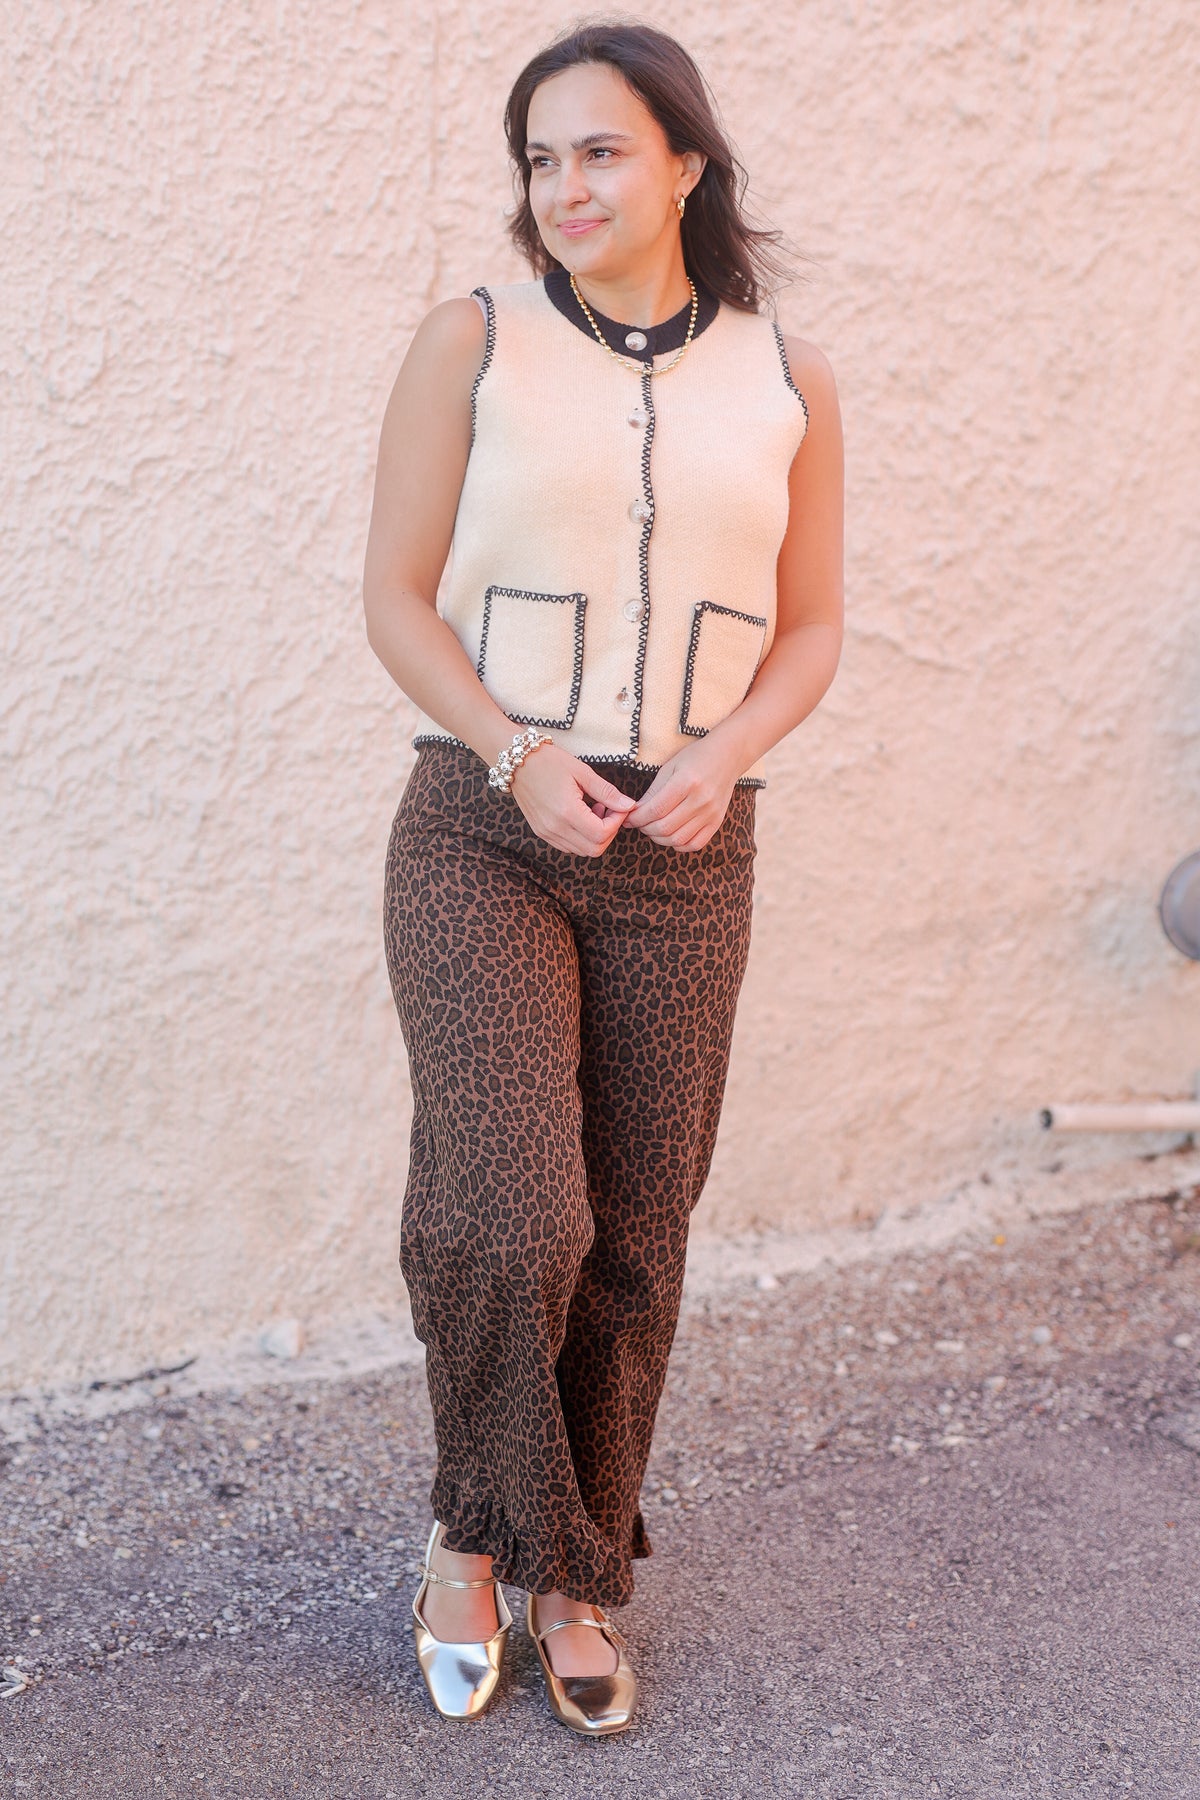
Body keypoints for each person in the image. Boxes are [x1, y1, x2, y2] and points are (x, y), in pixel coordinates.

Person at [362, 19, 843, 1737]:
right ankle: (472, 1534)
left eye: (599, 152)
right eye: (539, 159)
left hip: (687, 851)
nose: (562, 188)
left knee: (635, 1237)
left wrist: (724, 753)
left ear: (686, 166)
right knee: (512, 1216)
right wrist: (511, 752)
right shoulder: (472, 343)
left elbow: (811, 626)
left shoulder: (784, 375)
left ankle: (571, 1573)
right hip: (487, 827)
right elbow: (398, 599)